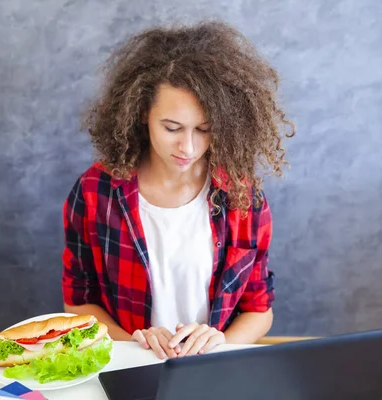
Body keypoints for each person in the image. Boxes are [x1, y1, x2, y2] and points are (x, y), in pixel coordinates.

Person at [61, 20, 295, 360]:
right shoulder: (95, 192)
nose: (188, 147)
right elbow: (79, 303)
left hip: (213, 372)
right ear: (142, 113)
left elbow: (259, 311)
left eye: (204, 130)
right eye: (172, 128)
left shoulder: (241, 197)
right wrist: (134, 344)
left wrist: (219, 342)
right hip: (127, 366)